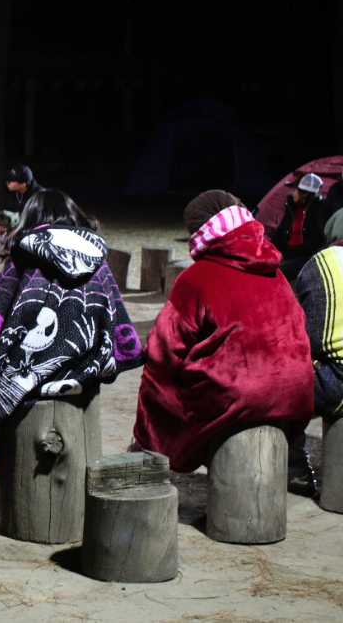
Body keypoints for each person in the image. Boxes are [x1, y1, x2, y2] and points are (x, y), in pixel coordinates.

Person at [0, 190, 142, 530]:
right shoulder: (97, 257)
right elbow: (115, 320)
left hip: (29, 373)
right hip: (83, 372)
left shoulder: (26, 256)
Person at [133, 191, 314, 489]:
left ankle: (148, 454)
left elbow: (163, 353)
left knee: (156, 380)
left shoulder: (196, 278)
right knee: (268, 380)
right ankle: (294, 458)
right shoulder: (276, 273)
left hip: (239, 396)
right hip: (296, 393)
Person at [294, 234, 343, 495]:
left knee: (278, 386)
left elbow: (309, 341)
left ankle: (295, 469)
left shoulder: (322, 265)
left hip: (336, 387)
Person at [0, 164, 44, 288]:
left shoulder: (39, 196)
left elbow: (37, 222)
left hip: (32, 234)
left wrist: (12, 229)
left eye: (11, 181)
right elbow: (7, 213)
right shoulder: (12, 192)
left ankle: (21, 275)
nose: (7, 183)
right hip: (12, 231)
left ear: (23, 184)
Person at [273, 172, 325, 282]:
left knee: (279, 272)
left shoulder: (318, 211)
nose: (292, 193)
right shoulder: (292, 207)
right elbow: (281, 231)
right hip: (286, 253)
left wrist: (285, 254)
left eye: (295, 190)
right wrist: (271, 250)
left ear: (305, 193)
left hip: (304, 257)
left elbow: (312, 245)